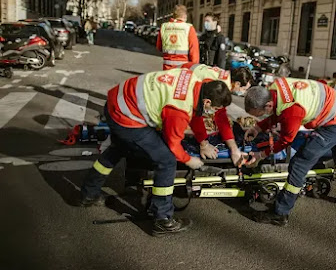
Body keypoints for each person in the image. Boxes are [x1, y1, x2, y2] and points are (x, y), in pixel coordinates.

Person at [79, 68, 232, 236]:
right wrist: (189, 160)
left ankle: (89, 193)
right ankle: (163, 219)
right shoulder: (179, 109)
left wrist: (203, 142)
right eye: (216, 108)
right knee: (166, 160)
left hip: (118, 102)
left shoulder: (194, 81)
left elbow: (195, 115)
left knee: (119, 147)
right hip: (127, 116)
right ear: (208, 102)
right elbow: (173, 144)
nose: (215, 112)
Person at [243, 78, 336, 226]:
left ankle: (280, 213)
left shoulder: (292, 110)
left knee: (299, 164)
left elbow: (286, 140)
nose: (262, 116)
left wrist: (261, 155)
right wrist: (258, 127)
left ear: (267, 105)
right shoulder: (275, 87)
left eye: (260, 113)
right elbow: (277, 111)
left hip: (334, 121)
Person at [179, 63, 254, 163]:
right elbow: (215, 117)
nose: (244, 93)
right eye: (244, 89)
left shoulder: (225, 76)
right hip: (181, 83)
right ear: (237, 84)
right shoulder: (220, 87)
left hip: (182, 72)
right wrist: (204, 144)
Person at [156, 5, 199, 70]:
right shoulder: (188, 28)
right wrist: (194, 67)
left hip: (167, 68)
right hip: (183, 69)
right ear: (185, 15)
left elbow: (159, 47)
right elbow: (194, 51)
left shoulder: (164, 27)